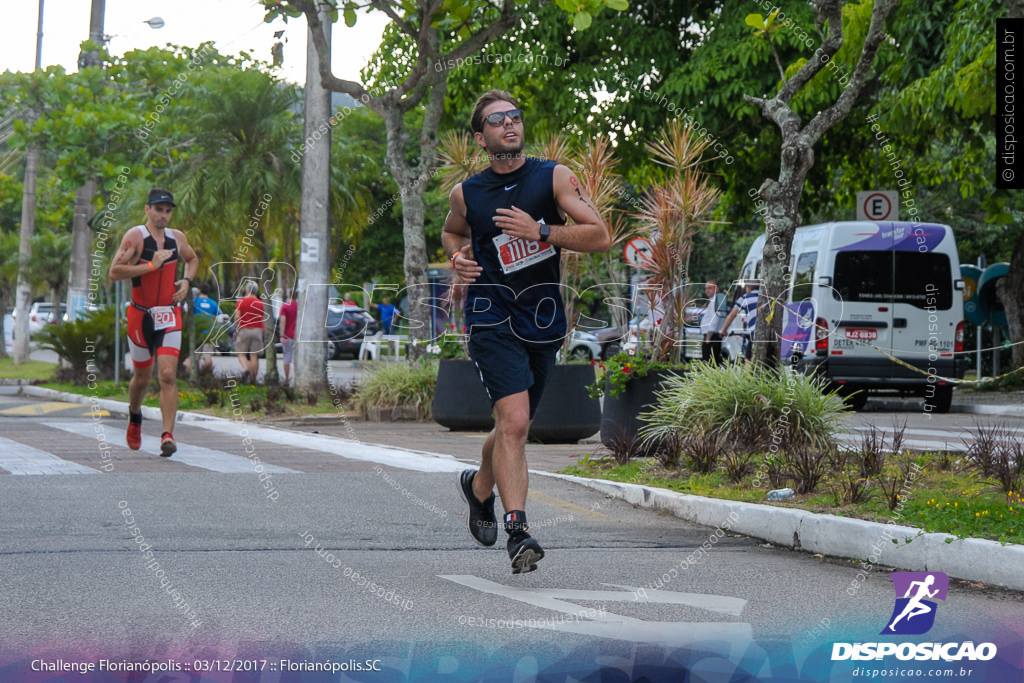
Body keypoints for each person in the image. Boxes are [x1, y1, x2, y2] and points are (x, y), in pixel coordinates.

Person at [442, 90, 611, 574]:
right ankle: (519, 533)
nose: (508, 125)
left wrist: (541, 232)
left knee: (511, 426)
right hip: (490, 315)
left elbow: (600, 236)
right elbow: (452, 232)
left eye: (514, 117)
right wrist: (458, 259)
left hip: (541, 318)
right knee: (515, 423)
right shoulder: (467, 193)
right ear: (482, 137)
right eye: (496, 121)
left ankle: (479, 489)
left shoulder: (553, 177)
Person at [109, 188, 198, 457]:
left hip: (169, 314)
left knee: (168, 375)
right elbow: (114, 271)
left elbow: (192, 259)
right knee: (142, 377)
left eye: (168, 210)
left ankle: (167, 435)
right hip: (140, 315)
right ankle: (134, 415)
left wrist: (187, 280)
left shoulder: (177, 238)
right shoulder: (136, 236)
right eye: (158, 210)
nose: (163, 215)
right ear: (147, 209)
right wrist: (150, 266)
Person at [718, 280, 760, 362]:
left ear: (748, 289)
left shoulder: (745, 297)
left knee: (748, 361)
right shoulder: (768, 297)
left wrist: (723, 330)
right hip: (773, 335)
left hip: (756, 333)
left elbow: (732, 315)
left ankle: (748, 374)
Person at [233, 281, 266, 384]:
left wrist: (236, 328)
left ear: (247, 290)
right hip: (257, 331)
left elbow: (237, 317)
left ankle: (246, 368)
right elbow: (263, 319)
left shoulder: (241, 301)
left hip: (244, 330)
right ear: (256, 291)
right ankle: (253, 380)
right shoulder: (261, 303)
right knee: (254, 356)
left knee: (241, 353)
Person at [695, 280, 729, 364]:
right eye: (706, 288)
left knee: (709, 361)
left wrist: (708, 336)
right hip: (712, 335)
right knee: (710, 360)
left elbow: (715, 319)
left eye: (710, 288)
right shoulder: (714, 300)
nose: (707, 290)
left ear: (716, 289)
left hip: (712, 336)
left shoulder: (716, 300)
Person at [192, 283, 220, 373]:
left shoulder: (194, 301)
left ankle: (195, 375)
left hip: (197, 333)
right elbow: (219, 318)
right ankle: (208, 375)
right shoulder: (213, 303)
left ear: (199, 291)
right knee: (207, 356)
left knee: (194, 357)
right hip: (209, 333)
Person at [278, 288, 298, 386]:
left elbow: (283, 321)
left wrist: (282, 335)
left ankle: (287, 379)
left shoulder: (285, 307)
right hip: (298, 337)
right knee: (296, 359)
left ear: (289, 295)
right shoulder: (300, 306)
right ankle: (297, 379)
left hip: (288, 336)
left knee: (287, 358)